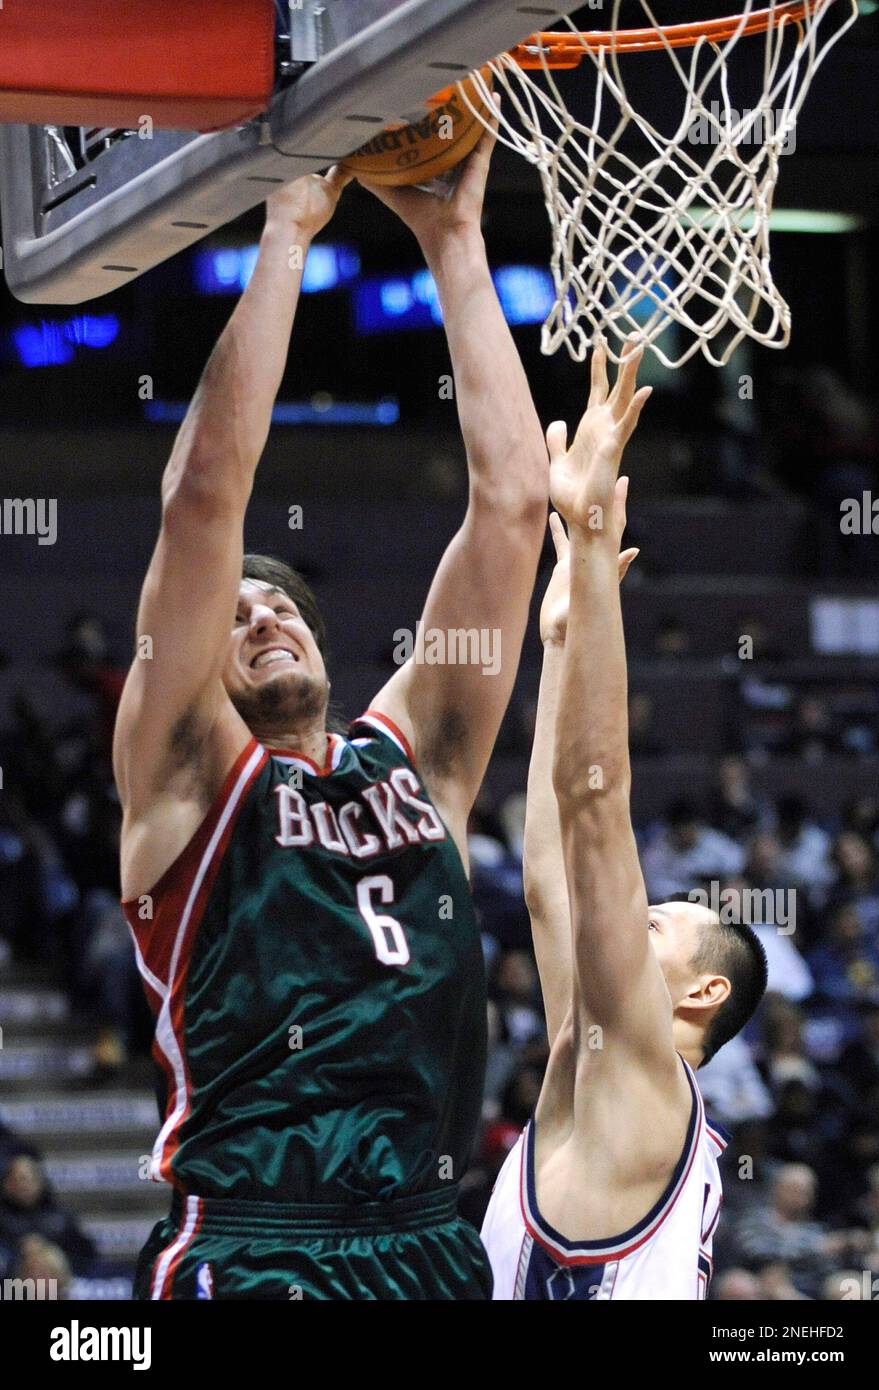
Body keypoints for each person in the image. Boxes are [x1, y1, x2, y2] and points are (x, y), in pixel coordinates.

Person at [114, 128, 548, 1300]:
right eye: (237, 612)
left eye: (282, 604)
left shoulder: (422, 758)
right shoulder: (189, 776)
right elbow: (205, 493)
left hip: (427, 1237)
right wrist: (288, 230)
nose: (260, 616)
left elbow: (514, 508)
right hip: (257, 1242)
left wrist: (457, 243)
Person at [481, 347, 768, 1299]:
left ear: (700, 996)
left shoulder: (648, 1086)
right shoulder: (594, 1065)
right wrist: (560, 643)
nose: (622, 921)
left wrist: (595, 534)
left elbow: (597, 806)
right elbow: (549, 877)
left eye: (654, 927)